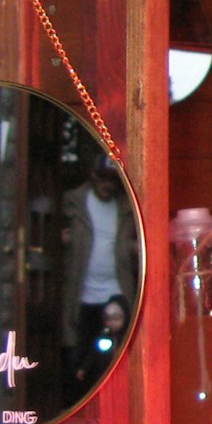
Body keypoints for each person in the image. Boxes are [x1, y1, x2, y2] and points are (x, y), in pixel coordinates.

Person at [61, 154, 140, 387]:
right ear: (93, 175)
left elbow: (136, 242)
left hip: (116, 292)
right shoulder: (73, 202)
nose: (108, 184)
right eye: (104, 178)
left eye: (113, 179)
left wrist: (134, 249)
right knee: (79, 356)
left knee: (114, 356)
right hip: (82, 294)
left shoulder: (127, 207)